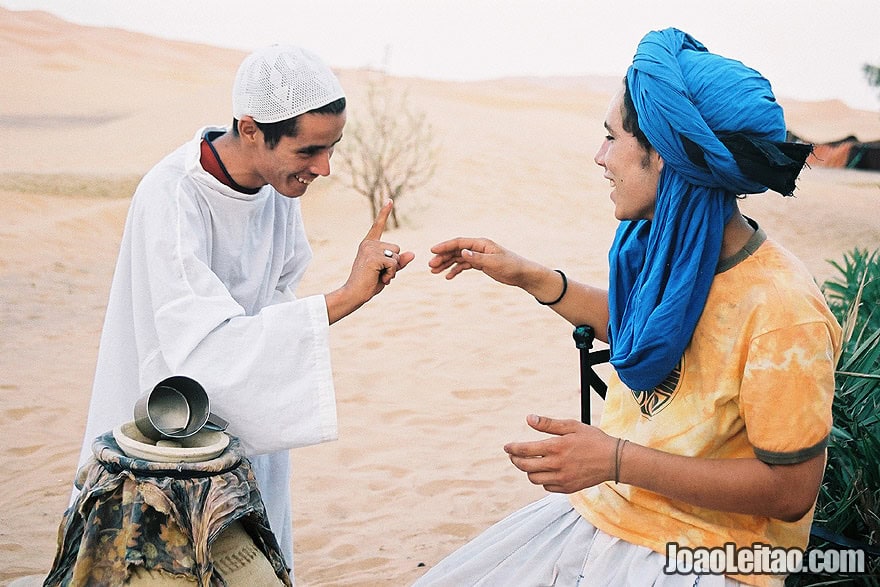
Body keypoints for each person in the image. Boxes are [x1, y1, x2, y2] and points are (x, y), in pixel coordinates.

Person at [418, 28, 840, 587]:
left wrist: (615, 460)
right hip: (608, 516)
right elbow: (649, 329)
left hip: (703, 557)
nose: (600, 157)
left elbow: (790, 492)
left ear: (664, 156)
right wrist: (529, 276)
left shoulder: (783, 310)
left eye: (612, 137)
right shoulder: (673, 254)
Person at [72, 44, 414, 576]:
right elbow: (198, 353)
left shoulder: (278, 193)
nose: (324, 168)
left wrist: (289, 330)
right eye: (308, 151)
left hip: (247, 425)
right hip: (163, 437)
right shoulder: (174, 197)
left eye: (333, 147)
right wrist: (346, 297)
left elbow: (278, 292)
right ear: (252, 128)